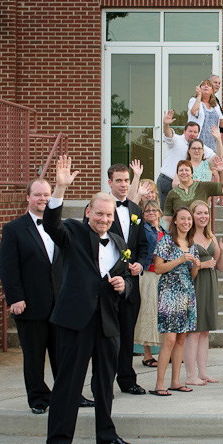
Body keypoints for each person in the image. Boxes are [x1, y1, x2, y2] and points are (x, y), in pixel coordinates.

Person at [43, 156, 134, 444]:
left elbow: (125, 280)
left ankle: (106, 434)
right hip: (75, 321)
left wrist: (125, 286)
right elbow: (52, 224)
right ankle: (58, 441)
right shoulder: (72, 232)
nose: (104, 219)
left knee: (105, 383)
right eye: (99, 214)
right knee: (69, 383)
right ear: (88, 213)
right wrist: (60, 187)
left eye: (108, 215)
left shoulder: (119, 242)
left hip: (107, 322)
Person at [0, 178, 65, 415]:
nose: (43, 199)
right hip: (30, 304)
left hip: (59, 305)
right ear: (28, 197)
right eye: (38, 195)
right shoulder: (13, 229)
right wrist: (15, 297)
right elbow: (8, 267)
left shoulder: (61, 227)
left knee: (63, 355)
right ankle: (38, 398)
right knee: (35, 357)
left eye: (47, 195)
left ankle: (67, 394)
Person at [86, 163, 149, 397]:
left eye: (127, 180)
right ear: (110, 182)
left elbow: (143, 245)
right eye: (119, 180)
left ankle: (127, 379)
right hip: (105, 287)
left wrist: (140, 264)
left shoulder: (135, 210)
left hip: (130, 285)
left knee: (126, 333)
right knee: (104, 338)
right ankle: (102, 385)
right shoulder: (97, 211)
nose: (124, 184)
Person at [152, 206, 201, 396]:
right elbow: (158, 268)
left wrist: (196, 265)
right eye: (183, 219)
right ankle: (159, 383)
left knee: (181, 339)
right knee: (170, 340)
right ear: (175, 221)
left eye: (189, 219)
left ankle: (175, 381)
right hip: (169, 294)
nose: (187, 222)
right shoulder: (166, 241)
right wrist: (180, 260)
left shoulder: (192, 244)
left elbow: (192, 275)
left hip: (187, 295)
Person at [184, 200, 223, 385]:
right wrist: (201, 264)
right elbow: (181, 265)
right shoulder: (186, 238)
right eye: (199, 213)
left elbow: (219, 267)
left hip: (210, 284)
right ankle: (190, 375)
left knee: (204, 332)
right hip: (194, 284)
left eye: (206, 213)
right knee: (194, 332)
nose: (203, 216)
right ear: (192, 215)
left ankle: (202, 372)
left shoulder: (211, 237)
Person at [158, 110, 215, 209]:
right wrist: (166, 125)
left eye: (195, 132)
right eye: (190, 131)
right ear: (184, 132)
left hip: (185, 186)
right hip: (167, 181)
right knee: (165, 217)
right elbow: (168, 135)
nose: (192, 134)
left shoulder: (200, 147)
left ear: (198, 134)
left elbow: (215, 158)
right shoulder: (176, 140)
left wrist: (218, 140)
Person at [134, 199, 164, 369]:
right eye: (147, 211)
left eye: (154, 210)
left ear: (159, 212)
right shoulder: (143, 229)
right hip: (148, 274)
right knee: (147, 313)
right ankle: (147, 355)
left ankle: (166, 352)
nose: (151, 213)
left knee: (160, 314)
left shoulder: (164, 232)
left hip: (162, 275)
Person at [163, 159, 223, 226]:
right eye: (181, 170)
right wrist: (163, 235)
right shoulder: (172, 193)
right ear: (177, 174)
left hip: (200, 232)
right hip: (180, 234)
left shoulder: (203, 186)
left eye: (187, 170)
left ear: (192, 173)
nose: (184, 172)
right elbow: (167, 219)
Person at [188, 76, 223, 154]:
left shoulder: (215, 105)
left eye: (208, 85)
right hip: (199, 141)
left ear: (212, 90)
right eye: (203, 85)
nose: (206, 86)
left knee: (213, 165)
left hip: (213, 143)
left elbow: (222, 124)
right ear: (199, 89)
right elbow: (194, 112)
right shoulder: (194, 101)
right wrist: (199, 96)